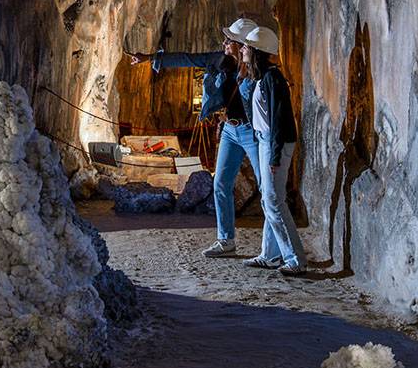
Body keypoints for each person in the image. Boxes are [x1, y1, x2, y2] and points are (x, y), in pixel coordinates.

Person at [127, 18, 260, 257]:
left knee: (267, 188)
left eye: (230, 40)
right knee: (221, 184)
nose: (224, 43)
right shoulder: (216, 60)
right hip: (230, 130)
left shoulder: (254, 68)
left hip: (251, 132)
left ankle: (274, 249)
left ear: (242, 45)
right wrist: (149, 58)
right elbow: (187, 58)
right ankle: (225, 240)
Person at [239, 26, 307, 276]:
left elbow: (279, 120)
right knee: (268, 200)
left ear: (257, 51)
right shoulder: (261, 78)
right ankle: (270, 254)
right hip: (264, 140)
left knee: (274, 201)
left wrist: (275, 156)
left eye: (247, 46)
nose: (243, 49)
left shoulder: (273, 79)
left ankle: (295, 259)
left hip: (274, 142)